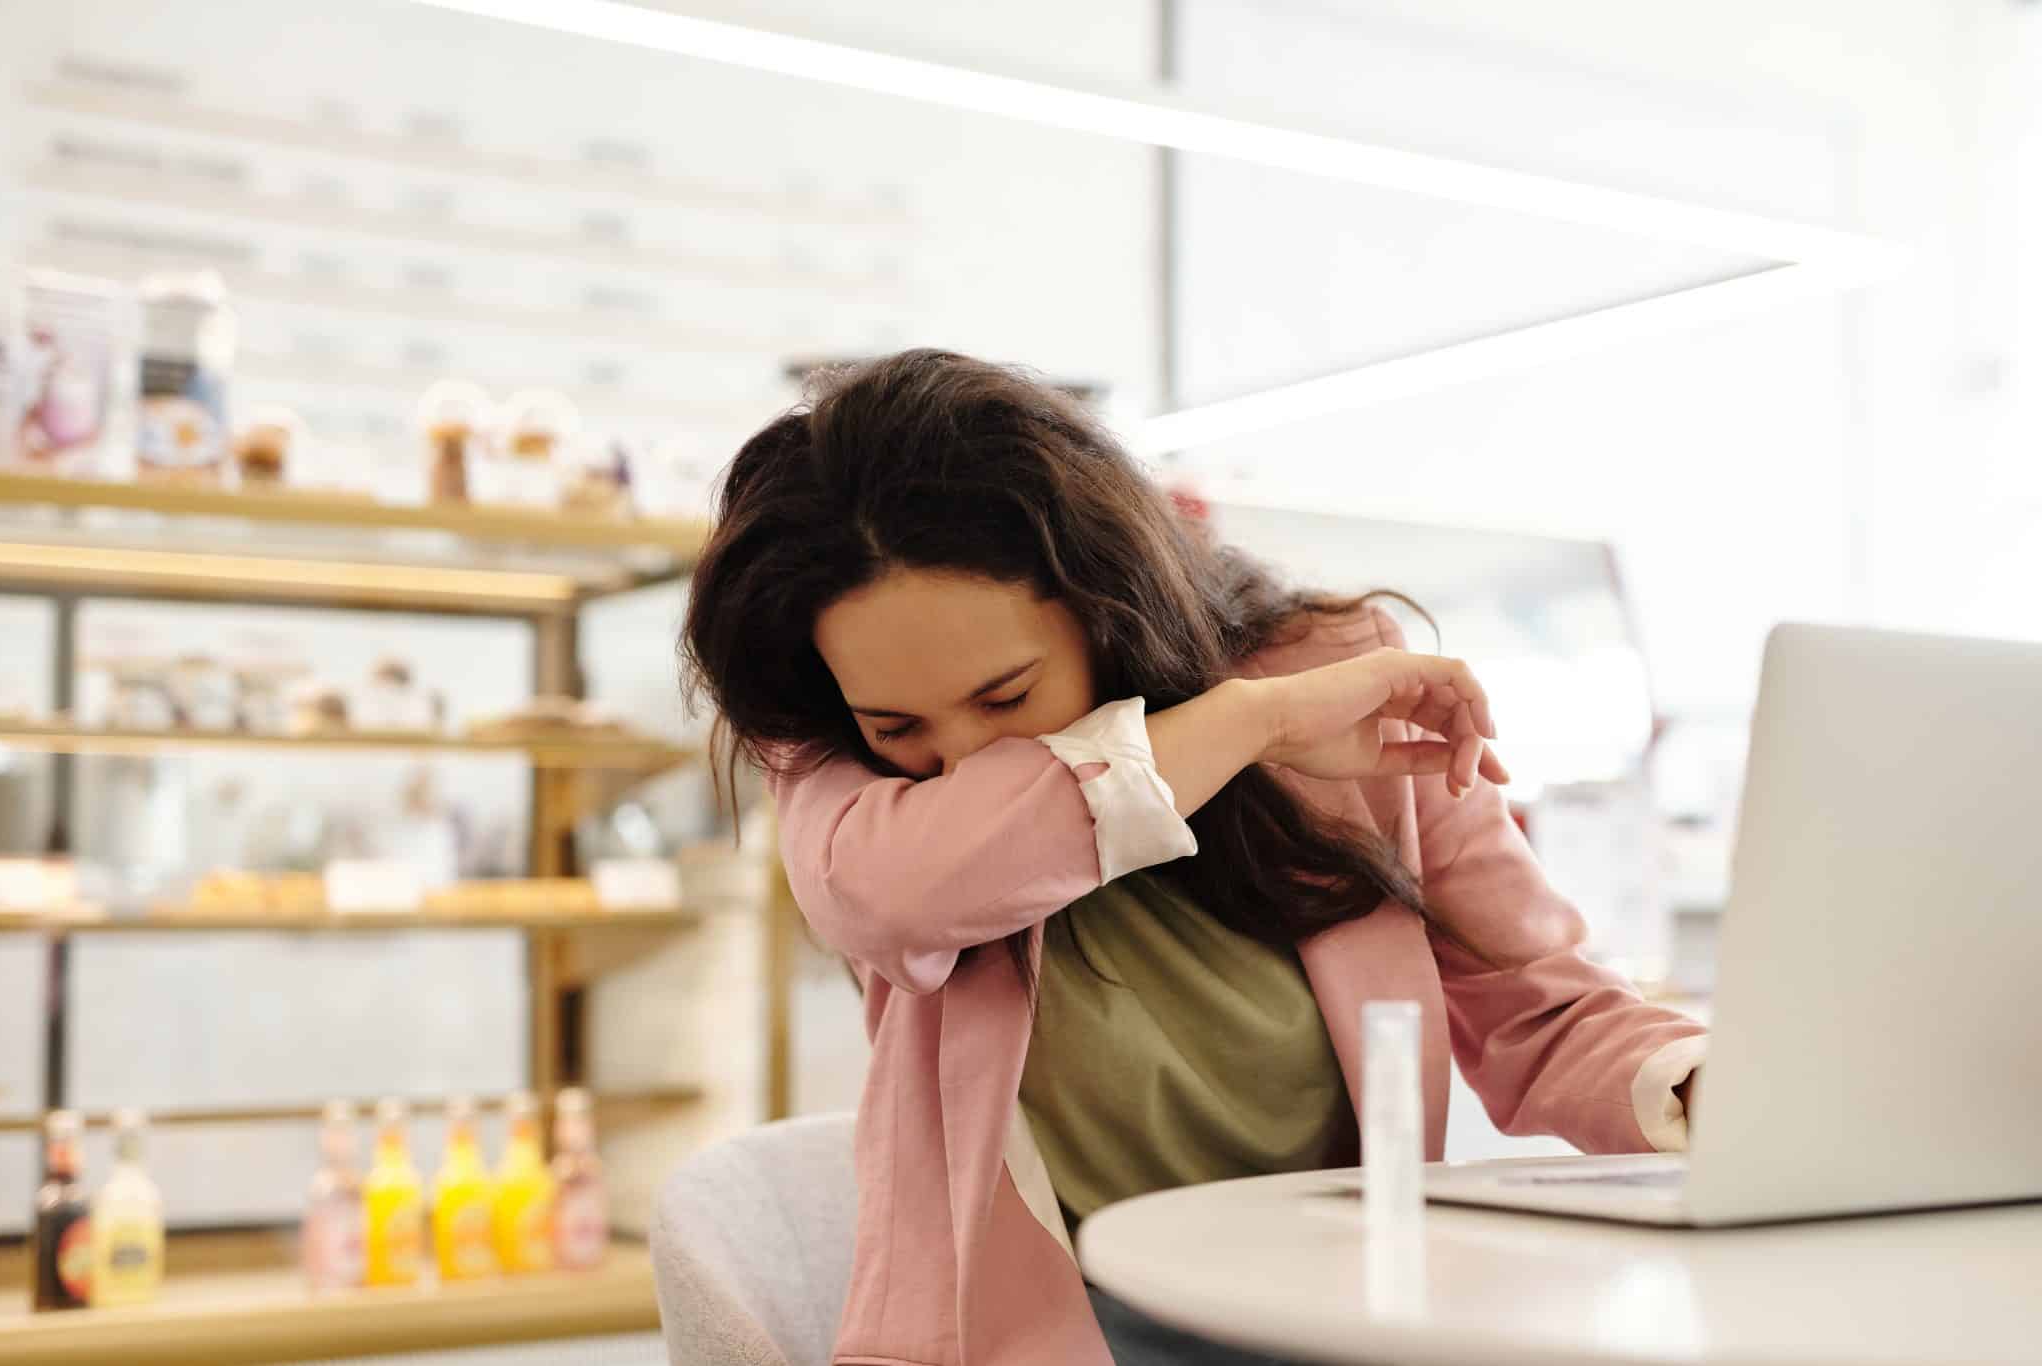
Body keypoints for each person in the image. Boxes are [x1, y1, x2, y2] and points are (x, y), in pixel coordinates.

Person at [681, 350, 1707, 1366]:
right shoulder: (828, 756)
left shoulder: (1326, 668)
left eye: (1004, 696)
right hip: (1051, 1325)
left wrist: (1707, 1089)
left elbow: (1537, 999)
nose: (962, 760)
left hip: (1333, 1307)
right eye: (898, 725)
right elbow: (898, 894)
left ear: (1105, 606)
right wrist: (1252, 722)